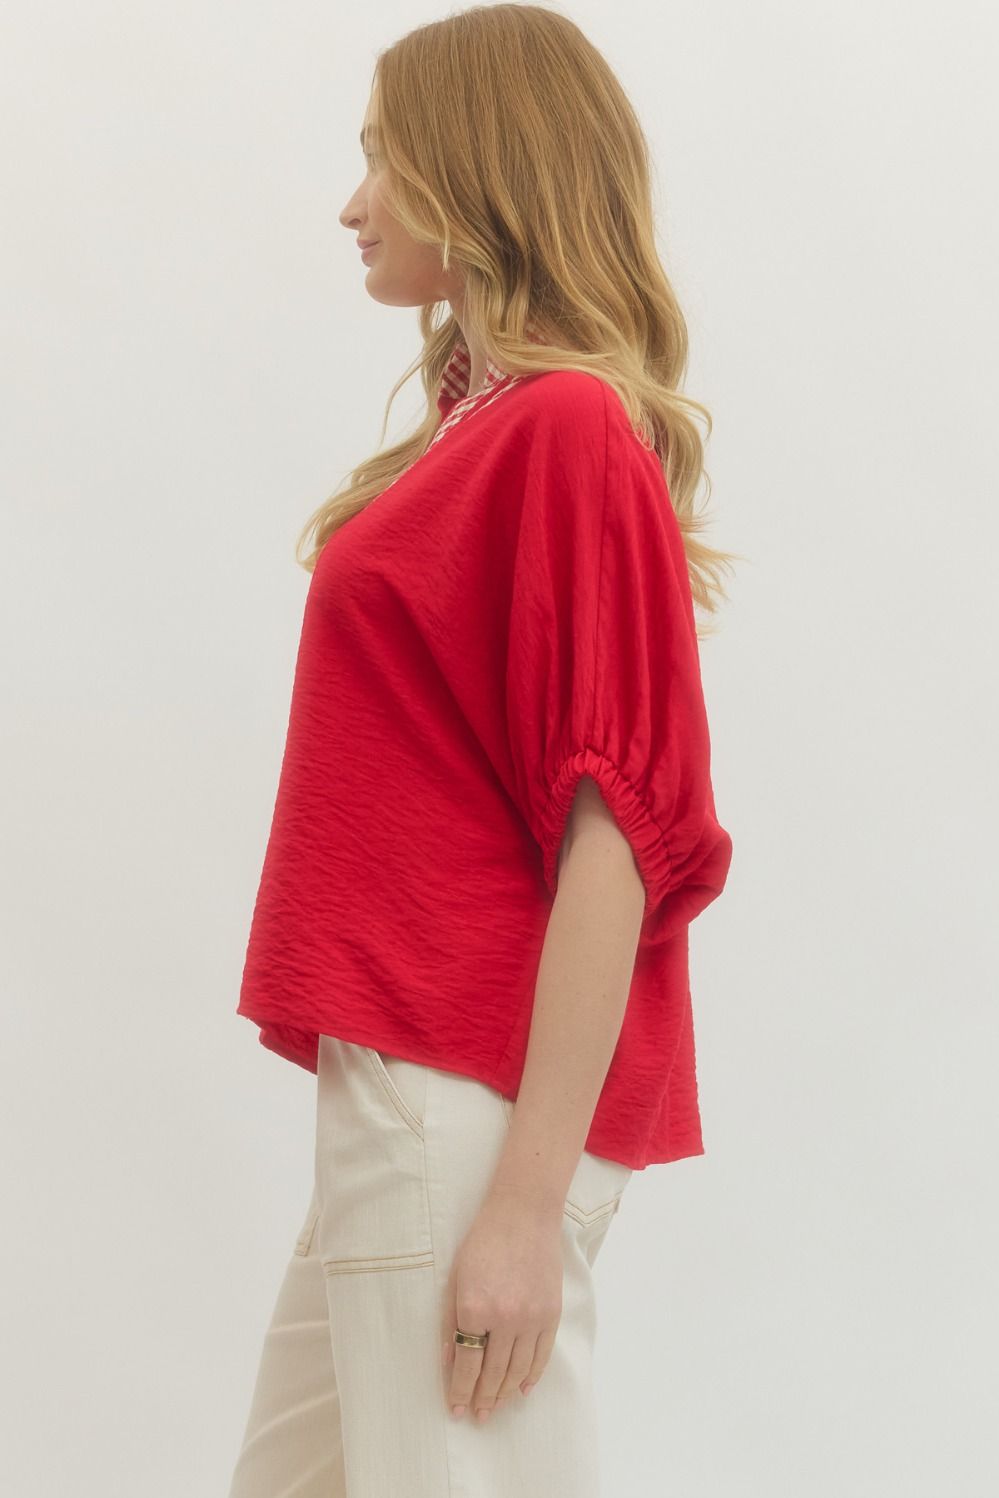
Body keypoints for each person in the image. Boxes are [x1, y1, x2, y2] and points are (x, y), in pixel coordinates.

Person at [227, 6, 737, 1495]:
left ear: (476, 170)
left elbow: (616, 834)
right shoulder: (488, 424)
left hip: (465, 1097)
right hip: (413, 1081)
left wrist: (521, 1205)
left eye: (382, 159)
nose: (354, 203)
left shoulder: (564, 427)